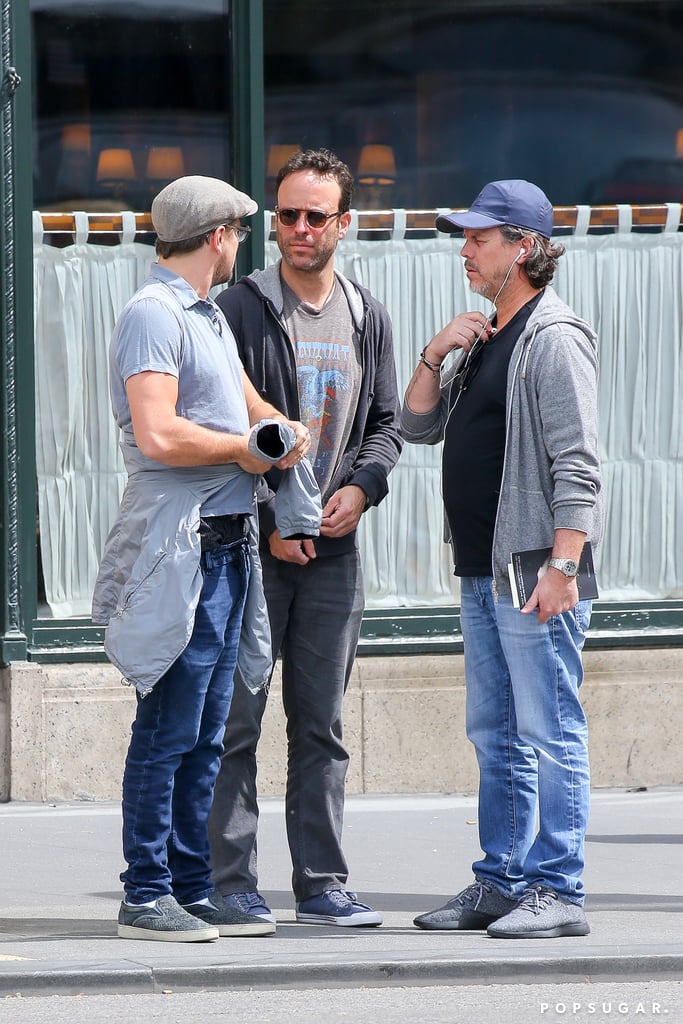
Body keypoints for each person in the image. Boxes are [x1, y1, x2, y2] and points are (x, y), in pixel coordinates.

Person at [91, 175, 311, 942]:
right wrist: (248, 451)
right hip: (180, 551)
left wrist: (279, 428)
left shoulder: (205, 314)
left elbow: (247, 403)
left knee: (208, 731)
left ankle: (190, 887)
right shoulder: (153, 314)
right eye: (241, 232)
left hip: (227, 548)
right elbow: (157, 433)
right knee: (168, 726)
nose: (242, 245)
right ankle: (145, 893)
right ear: (216, 234)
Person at [400, 179, 602, 939]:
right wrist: (433, 351)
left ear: (522, 247)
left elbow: (580, 463)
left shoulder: (552, 337)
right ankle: (501, 880)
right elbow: (418, 427)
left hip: (533, 573)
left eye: (478, 238)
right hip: (484, 570)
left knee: (549, 728)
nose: (464, 249)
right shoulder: (487, 336)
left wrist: (563, 566)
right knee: (495, 730)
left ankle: (559, 888)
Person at [209, 148, 403, 928]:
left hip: (334, 553)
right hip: (253, 550)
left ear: (341, 225)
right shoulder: (239, 309)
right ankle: (230, 883)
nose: (295, 228)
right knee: (236, 722)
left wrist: (360, 490)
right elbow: (221, 427)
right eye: (285, 214)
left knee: (320, 724)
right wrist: (269, 519)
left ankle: (321, 884)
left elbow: (387, 427)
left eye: (312, 216)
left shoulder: (366, 312)